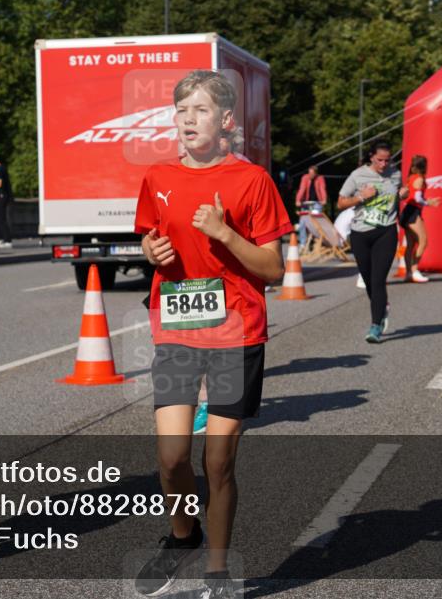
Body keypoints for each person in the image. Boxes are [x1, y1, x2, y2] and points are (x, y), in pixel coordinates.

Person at [134, 70, 291, 598]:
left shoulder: (253, 181)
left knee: (217, 462)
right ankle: (183, 537)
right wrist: (149, 253)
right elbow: (151, 242)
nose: (187, 121)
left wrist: (224, 232)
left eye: (199, 111)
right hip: (177, 327)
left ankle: (219, 572)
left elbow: (272, 269)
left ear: (225, 121)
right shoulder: (157, 177)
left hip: (236, 332)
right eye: (180, 112)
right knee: (172, 457)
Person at [338, 141, 408, 343]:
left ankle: (375, 326)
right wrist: (361, 196)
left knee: (378, 280)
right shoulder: (358, 175)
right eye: (380, 160)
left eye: (388, 160)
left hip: (385, 232)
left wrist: (404, 194)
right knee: (368, 280)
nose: (384, 164)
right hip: (360, 234)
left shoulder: (395, 174)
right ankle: (382, 306)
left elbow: (402, 191)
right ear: (371, 157)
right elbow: (341, 202)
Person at [398, 154, 439, 283]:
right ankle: (415, 270)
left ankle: (409, 273)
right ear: (424, 166)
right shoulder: (420, 179)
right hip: (413, 212)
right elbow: (417, 198)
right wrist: (429, 203)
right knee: (423, 241)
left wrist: (427, 201)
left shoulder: (411, 177)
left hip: (407, 212)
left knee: (411, 244)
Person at [295, 165, 327, 246]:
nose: (310, 175)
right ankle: (303, 244)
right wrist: (298, 200)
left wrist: (324, 200)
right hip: (306, 203)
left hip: (316, 203)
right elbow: (302, 189)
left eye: (312, 173)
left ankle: (316, 241)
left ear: (316, 173)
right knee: (302, 222)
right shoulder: (305, 178)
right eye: (309, 173)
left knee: (316, 223)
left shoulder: (320, 178)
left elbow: (322, 189)